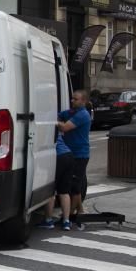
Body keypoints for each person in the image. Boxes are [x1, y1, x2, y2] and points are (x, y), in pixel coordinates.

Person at [57, 90, 92, 226]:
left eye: (75, 99)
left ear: (83, 101)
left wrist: (54, 122)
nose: (72, 101)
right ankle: (80, 210)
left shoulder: (83, 115)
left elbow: (65, 128)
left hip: (80, 155)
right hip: (72, 153)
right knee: (74, 184)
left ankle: (72, 213)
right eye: (72, 98)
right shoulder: (71, 112)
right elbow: (60, 115)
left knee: (75, 185)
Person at [38, 131, 74, 230]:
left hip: (56, 157)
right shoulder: (55, 124)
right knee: (64, 191)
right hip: (68, 155)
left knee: (50, 190)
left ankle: (48, 220)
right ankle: (66, 221)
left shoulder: (45, 126)